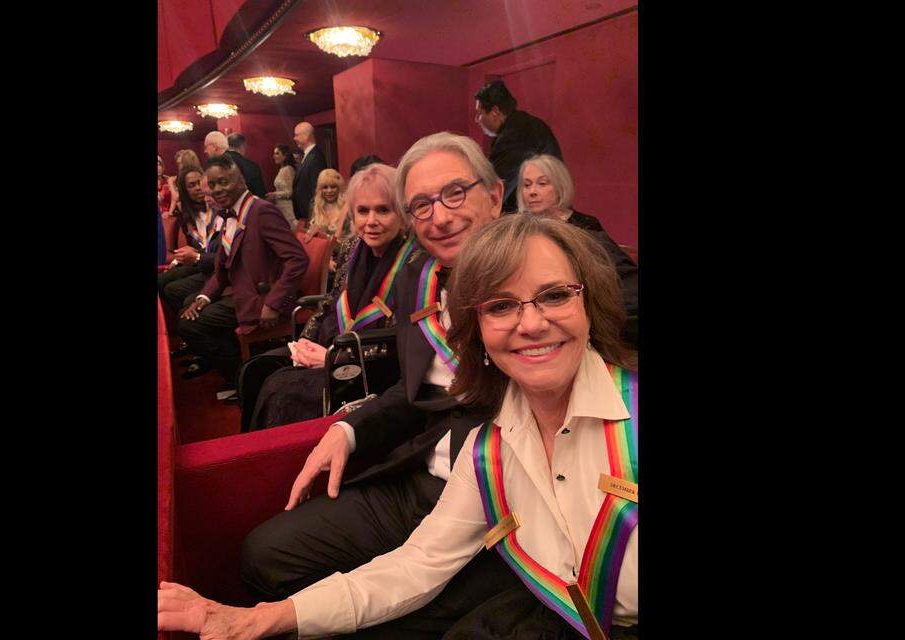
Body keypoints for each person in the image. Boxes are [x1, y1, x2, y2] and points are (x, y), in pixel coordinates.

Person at [158, 214, 639, 639]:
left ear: (589, 304)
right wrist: (257, 619)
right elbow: (417, 565)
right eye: (500, 306)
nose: (531, 324)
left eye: (554, 296)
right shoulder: (489, 448)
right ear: (477, 333)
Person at [232, 132, 518, 635]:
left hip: (500, 503)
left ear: (494, 195)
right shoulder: (418, 276)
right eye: (422, 205)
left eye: (455, 193)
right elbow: (416, 392)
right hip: (419, 476)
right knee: (263, 556)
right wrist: (348, 430)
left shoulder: (542, 270)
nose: (441, 216)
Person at [247, 163, 414, 430]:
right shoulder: (351, 247)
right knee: (257, 369)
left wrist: (332, 358)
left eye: (383, 210)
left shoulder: (414, 263)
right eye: (363, 211)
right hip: (330, 344)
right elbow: (330, 302)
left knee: (281, 390)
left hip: (368, 365)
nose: (371, 221)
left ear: (403, 214)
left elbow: (400, 342)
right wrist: (305, 340)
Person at [178, 155, 309, 392]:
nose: (217, 190)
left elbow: (297, 259)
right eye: (213, 184)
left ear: (239, 179)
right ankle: (240, 373)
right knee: (190, 306)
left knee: (190, 326)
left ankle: (244, 379)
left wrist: (273, 303)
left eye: (224, 182)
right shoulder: (228, 214)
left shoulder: (261, 211)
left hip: (260, 298)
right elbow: (222, 269)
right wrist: (203, 298)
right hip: (239, 288)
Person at [517, 154, 638, 319]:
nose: (532, 192)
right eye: (526, 185)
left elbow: (625, 279)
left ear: (560, 187)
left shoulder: (586, 227)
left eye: (542, 183)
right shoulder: (518, 231)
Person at [474, 79, 563, 213]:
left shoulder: (517, 133)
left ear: (494, 111)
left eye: (480, 113)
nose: (477, 119)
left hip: (541, 222)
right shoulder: (522, 125)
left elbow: (496, 190)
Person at [158, 166, 222, 321]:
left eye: (199, 182)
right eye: (191, 185)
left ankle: (186, 319)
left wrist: (197, 256)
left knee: (173, 289)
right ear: (185, 191)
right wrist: (177, 259)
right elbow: (197, 244)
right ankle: (180, 321)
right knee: (162, 281)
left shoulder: (218, 208)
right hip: (202, 260)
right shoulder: (188, 215)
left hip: (214, 264)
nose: (198, 188)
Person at [292, 122, 328, 222]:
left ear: (306, 135)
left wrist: (314, 219)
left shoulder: (315, 157)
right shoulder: (309, 155)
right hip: (305, 216)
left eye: (296, 135)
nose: (294, 138)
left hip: (312, 217)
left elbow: (317, 191)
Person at [305, 168, 350, 242]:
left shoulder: (347, 206)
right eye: (325, 187)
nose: (329, 191)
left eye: (333, 187)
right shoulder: (314, 205)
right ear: (320, 189)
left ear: (339, 187)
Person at [225, 132, 268, 199]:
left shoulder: (216, 163)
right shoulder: (251, 166)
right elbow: (260, 194)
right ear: (243, 146)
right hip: (247, 205)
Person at [265, 143, 297, 227]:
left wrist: (275, 194)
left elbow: (291, 192)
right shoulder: (281, 169)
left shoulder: (288, 169)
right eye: (274, 153)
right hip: (280, 207)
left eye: (277, 153)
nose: (274, 156)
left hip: (288, 208)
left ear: (285, 155)